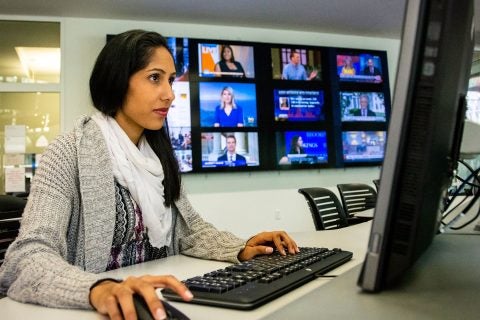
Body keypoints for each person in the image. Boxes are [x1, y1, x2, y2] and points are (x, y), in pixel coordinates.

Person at [0, 30, 299, 320]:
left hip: (156, 303)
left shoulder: (157, 156)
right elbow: (26, 258)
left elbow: (190, 233)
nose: (169, 94)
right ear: (117, 81)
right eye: (155, 78)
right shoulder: (68, 153)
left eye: (170, 80)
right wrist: (97, 289)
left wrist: (243, 248)